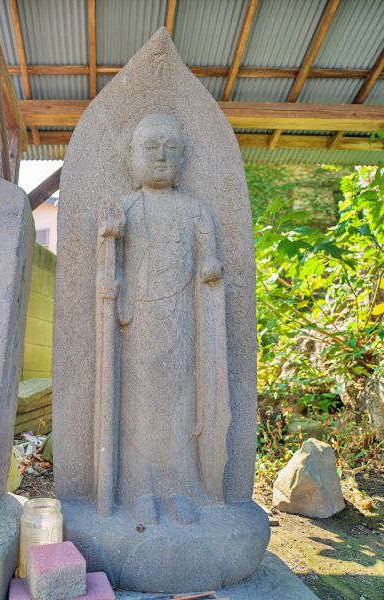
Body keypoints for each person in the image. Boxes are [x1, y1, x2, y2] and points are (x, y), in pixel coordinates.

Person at [101, 112, 224, 525]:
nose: (160, 157)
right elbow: (109, 264)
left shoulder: (194, 210)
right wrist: (108, 248)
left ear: (183, 158)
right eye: (150, 148)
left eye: (170, 148)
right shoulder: (123, 207)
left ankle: (180, 488)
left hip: (180, 320)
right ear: (131, 157)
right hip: (136, 323)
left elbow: (208, 256)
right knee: (137, 404)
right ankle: (139, 489)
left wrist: (210, 266)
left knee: (180, 401)